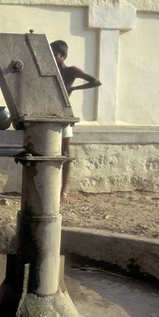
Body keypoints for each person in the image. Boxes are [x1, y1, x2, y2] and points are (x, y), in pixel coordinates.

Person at [50, 40, 102, 204]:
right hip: (48, 115)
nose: (49, 56)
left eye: (53, 53)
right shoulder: (47, 71)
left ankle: (63, 192)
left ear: (62, 56)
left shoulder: (71, 71)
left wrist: (72, 89)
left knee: (65, 154)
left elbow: (96, 81)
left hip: (64, 115)